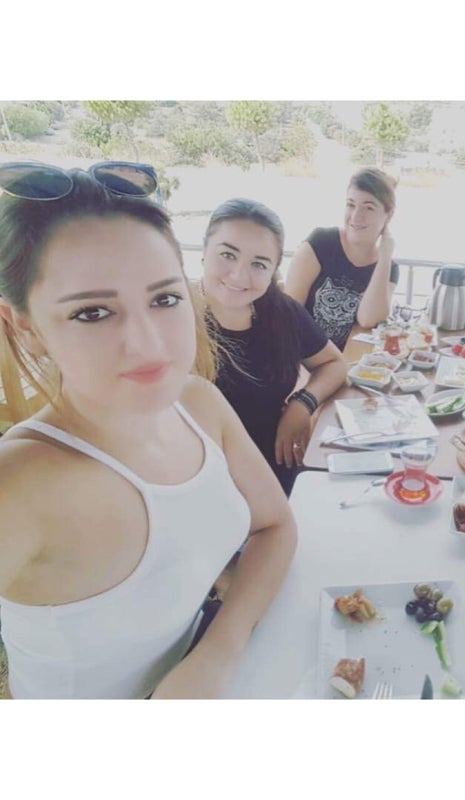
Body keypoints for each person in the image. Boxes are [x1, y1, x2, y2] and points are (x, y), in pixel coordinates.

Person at [0, 163, 297, 699]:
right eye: (92, 313)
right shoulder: (19, 484)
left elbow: (274, 526)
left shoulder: (198, 403)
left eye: (164, 299)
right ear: (27, 328)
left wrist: (217, 652)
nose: (149, 344)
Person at [200, 198, 348, 495]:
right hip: (201, 478)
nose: (239, 275)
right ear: (204, 251)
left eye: (258, 264)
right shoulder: (171, 316)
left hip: (274, 469)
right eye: (227, 254)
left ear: (273, 270)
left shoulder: (281, 312)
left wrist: (303, 404)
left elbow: (333, 363)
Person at [285, 168, 400, 350]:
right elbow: (288, 313)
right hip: (301, 353)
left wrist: (385, 256)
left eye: (369, 207)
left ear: (389, 215)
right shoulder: (321, 242)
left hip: (345, 359)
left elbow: (367, 320)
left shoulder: (388, 268)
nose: (356, 216)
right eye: (351, 205)